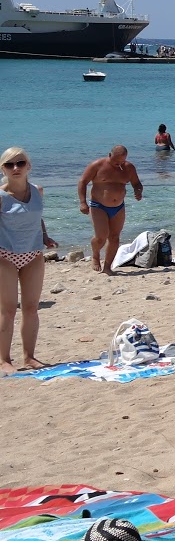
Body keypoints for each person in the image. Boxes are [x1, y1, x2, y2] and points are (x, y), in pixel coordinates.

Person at [1, 147, 55, 373]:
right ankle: (3, 359)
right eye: (9, 164)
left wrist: (44, 236)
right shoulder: (1, 196)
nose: (16, 168)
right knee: (8, 309)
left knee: (31, 307)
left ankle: (29, 357)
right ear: (2, 169)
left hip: (33, 254)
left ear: (29, 166)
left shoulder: (37, 191)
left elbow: (37, 217)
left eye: (20, 163)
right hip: (5, 255)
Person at [77, 145, 142, 275]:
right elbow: (82, 182)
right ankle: (95, 255)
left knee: (114, 237)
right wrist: (83, 202)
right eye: (116, 161)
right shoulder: (97, 165)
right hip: (98, 206)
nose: (119, 164)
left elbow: (136, 183)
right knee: (101, 237)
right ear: (109, 155)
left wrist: (138, 191)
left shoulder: (129, 168)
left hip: (118, 207)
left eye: (122, 161)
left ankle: (107, 267)